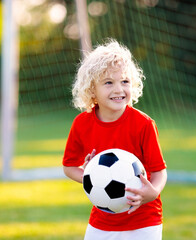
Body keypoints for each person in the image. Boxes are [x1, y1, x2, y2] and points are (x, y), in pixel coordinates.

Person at [62, 39, 167, 240]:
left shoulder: (144, 124)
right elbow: (69, 167)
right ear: (92, 89)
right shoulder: (82, 124)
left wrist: (152, 192)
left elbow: (159, 171)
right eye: (109, 82)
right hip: (102, 221)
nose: (118, 89)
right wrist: (89, 174)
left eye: (125, 81)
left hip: (144, 221)